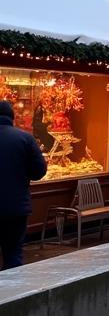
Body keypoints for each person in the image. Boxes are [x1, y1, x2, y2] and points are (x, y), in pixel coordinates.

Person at [0, 100, 47, 269]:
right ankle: (14, 293)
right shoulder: (25, 138)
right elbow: (39, 171)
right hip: (16, 207)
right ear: (12, 118)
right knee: (13, 254)